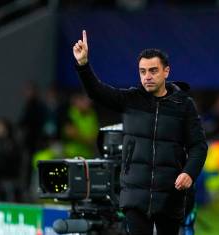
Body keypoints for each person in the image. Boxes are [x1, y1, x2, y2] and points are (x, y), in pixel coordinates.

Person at [72, 30, 208, 235]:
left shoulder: (183, 105)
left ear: (166, 72)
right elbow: (96, 92)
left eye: (153, 71)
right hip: (134, 194)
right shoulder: (131, 99)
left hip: (171, 194)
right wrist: (83, 65)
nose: (147, 77)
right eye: (143, 71)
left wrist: (189, 172)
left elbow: (198, 145)